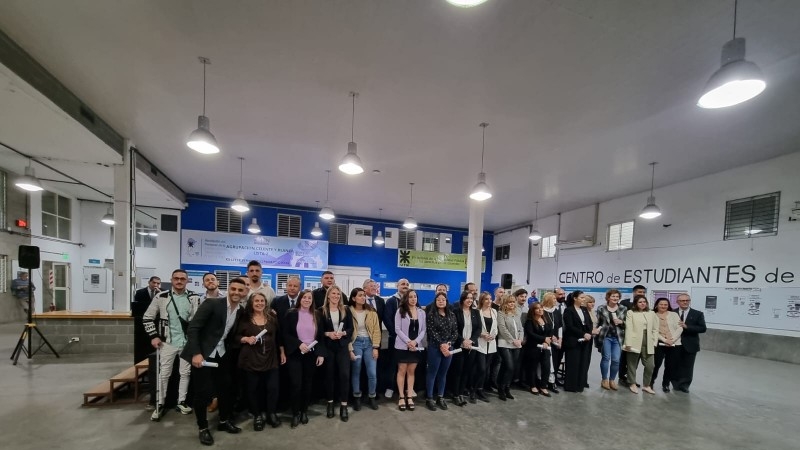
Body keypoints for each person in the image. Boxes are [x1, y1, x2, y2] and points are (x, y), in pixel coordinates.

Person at [181, 278, 247, 446]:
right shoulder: (212, 304)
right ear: (228, 289)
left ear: (245, 292)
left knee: (225, 390)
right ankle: (203, 428)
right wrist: (196, 353)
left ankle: (224, 422)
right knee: (202, 393)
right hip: (202, 355)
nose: (236, 293)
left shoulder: (240, 310)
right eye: (233, 289)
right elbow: (193, 328)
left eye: (240, 290)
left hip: (222, 354)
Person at [143, 269, 200, 421]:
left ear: (187, 280)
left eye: (182, 278)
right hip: (166, 342)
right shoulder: (161, 296)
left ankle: (181, 401)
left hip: (187, 342)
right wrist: (154, 336)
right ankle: (160, 403)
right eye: (176, 278)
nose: (179, 281)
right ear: (171, 280)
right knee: (164, 374)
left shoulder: (194, 297)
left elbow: (198, 322)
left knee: (185, 373)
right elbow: (147, 318)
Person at [235, 292, 285, 430]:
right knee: (253, 390)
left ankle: (271, 414)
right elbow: (235, 337)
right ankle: (257, 415)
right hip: (251, 358)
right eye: (256, 301)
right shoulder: (245, 318)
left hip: (271, 357)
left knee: (273, 388)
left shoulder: (272, 316)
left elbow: (278, 336)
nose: (259, 303)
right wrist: (245, 339)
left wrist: (282, 352)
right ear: (251, 303)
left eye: (262, 301)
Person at [282, 289, 325, 428]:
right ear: (300, 299)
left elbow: (320, 337)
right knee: (296, 384)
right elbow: (286, 334)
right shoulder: (291, 314)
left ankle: (304, 411)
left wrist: (320, 353)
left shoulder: (317, 315)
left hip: (311, 354)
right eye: (304, 297)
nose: (307, 300)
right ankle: (295, 413)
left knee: (308, 384)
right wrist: (298, 344)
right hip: (295, 353)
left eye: (309, 298)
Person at [316, 285, 353, 422]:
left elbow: (350, 329)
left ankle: (344, 405)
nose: (336, 296)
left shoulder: (345, 310)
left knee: (344, 375)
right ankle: (330, 403)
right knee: (329, 376)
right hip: (328, 347)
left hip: (342, 347)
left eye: (338, 294)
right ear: (328, 296)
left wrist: (343, 333)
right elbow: (318, 331)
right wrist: (328, 334)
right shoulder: (321, 311)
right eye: (333, 293)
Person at [348, 287, 381, 411]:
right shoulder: (348, 311)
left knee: (372, 372)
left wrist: (375, 347)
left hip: (369, 344)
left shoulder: (371, 312)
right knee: (356, 370)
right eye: (360, 295)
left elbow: (377, 330)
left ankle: (372, 396)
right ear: (353, 298)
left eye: (363, 295)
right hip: (355, 343)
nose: (363, 297)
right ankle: (357, 396)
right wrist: (350, 348)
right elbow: (347, 331)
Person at [425, 292, 458, 411]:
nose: (441, 301)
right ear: (435, 301)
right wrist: (441, 344)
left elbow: (455, 332)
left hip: (448, 348)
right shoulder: (431, 315)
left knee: (443, 373)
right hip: (435, 347)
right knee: (432, 373)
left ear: (446, 301)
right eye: (438, 299)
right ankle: (429, 398)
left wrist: (448, 344)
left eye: (443, 299)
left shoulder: (452, 315)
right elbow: (431, 331)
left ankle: (440, 397)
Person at [394, 288, 426, 411]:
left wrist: (415, 342)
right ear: (406, 298)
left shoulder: (421, 312)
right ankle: (401, 396)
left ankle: (409, 396)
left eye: (415, 297)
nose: (413, 299)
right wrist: (408, 342)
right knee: (402, 370)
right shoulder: (400, 311)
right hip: (402, 346)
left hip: (415, 346)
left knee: (411, 371)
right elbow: (397, 329)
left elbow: (423, 330)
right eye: (411, 297)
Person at [623, 295, 659, 394]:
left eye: (644, 302)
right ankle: (632, 383)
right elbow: (629, 328)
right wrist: (628, 343)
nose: (642, 303)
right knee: (632, 364)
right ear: (635, 303)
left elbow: (655, 328)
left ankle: (646, 385)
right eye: (640, 302)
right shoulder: (631, 313)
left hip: (649, 340)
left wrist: (655, 341)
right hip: (634, 341)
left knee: (650, 365)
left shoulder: (651, 313)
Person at [450, 290, 481, 405]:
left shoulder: (476, 312)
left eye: (471, 298)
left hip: (471, 346)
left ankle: (461, 392)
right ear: (463, 299)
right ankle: (455, 394)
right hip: (459, 345)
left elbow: (478, 329)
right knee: (458, 370)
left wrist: (471, 341)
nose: (470, 300)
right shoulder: (455, 312)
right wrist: (463, 341)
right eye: (467, 298)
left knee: (467, 370)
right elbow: (454, 329)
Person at [383, 278, 410, 399]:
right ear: (397, 286)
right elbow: (387, 319)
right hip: (395, 338)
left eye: (407, 284)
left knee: (406, 365)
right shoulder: (391, 301)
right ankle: (390, 387)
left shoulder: (412, 300)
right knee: (392, 364)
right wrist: (397, 334)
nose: (405, 286)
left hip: (409, 340)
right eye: (403, 284)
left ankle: (406, 388)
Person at [673, 294, 706, 393]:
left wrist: (687, 327)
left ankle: (684, 385)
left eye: (687, 300)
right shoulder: (671, 313)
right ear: (677, 302)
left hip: (690, 344)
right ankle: (674, 383)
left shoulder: (697, 314)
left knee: (688, 365)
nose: (685, 302)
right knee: (674, 364)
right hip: (674, 343)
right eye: (682, 300)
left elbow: (703, 328)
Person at [562, 290, 593, 393]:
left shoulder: (584, 310)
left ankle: (580, 385)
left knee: (583, 363)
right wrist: (583, 334)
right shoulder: (569, 310)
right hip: (573, 340)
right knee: (573, 363)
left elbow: (588, 323)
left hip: (585, 341)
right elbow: (570, 326)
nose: (584, 300)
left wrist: (589, 333)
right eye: (582, 298)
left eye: (584, 298)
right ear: (575, 298)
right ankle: (571, 386)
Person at [596, 289, 627, 391]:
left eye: (617, 297)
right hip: (605, 337)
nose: (615, 298)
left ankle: (612, 380)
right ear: (608, 297)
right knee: (606, 357)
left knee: (616, 359)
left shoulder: (623, 308)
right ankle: (604, 379)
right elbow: (598, 322)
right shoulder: (601, 308)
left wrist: (621, 322)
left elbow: (628, 324)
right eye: (613, 296)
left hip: (618, 337)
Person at [652, 298, 682, 393]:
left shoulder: (674, 314)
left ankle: (666, 384)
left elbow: (680, 328)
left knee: (670, 365)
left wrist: (672, 340)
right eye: (661, 304)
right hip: (659, 343)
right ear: (657, 305)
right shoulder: (652, 315)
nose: (663, 306)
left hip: (674, 343)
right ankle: (650, 383)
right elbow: (653, 331)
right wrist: (665, 340)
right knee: (655, 364)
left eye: (665, 304)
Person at [496, 295, 523, 401]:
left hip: (517, 344)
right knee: (509, 366)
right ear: (505, 303)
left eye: (513, 302)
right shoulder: (501, 313)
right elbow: (502, 329)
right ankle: (501, 388)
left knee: (509, 368)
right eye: (509, 302)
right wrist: (513, 340)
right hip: (505, 343)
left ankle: (506, 387)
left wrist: (519, 339)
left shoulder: (517, 314)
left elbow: (521, 328)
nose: (512, 304)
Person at [619, 284, 647, 385]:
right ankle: (622, 376)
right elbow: (621, 317)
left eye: (644, 292)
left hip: (639, 336)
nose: (642, 294)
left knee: (635, 357)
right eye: (640, 292)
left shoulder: (644, 304)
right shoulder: (625, 303)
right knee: (625, 356)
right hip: (626, 333)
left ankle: (630, 377)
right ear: (634, 292)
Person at [523, 302, 552, 396]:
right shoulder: (530, 321)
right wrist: (543, 339)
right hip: (533, 348)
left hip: (545, 347)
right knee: (532, 367)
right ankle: (532, 385)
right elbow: (531, 334)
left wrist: (546, 341)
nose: (540, 310)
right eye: (537, 308)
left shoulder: (546, 320)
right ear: (533, 311)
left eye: (541, 308)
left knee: (546, 367)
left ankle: (543, 386)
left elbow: (550, 332)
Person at [474, 292, 497, 402]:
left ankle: (480, 389)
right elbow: (474, 328)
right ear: (482, 300)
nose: (489, 301)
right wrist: (482, 335)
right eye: (486, 299)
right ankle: (474, 389)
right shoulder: (477, 312)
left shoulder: (494, 312)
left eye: (490, 299)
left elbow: (495, 328)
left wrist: (493, 335)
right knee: (481, 369)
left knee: (486, 369)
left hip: (491, 344)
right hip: (480, 343)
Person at [132, 276, 160, 365]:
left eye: (158, 283)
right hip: (142, 323)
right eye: (154, 283)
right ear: (149, 282)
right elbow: (137, 307)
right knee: (142, 347)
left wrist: (161, 294)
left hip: (156, 323)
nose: (156, 285)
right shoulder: (140, 292)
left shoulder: (162, 292)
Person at [541, 291, 563, 393]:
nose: (556, 300)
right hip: (545, 339)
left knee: (554, 361)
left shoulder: (556, 311)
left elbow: (559, 326)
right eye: (554, 299)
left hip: (556, 340)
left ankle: (552, 381)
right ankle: (544, 381)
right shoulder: (542, 311)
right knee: (546, 362)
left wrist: (560, 338)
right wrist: (550, 336)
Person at [582, 294, 601, 388]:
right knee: (583, 360)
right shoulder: (583, 312)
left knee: (587, 360)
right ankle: (581, 380)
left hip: (591, 338)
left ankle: (584, 379)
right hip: (584, 338)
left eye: (593, 302)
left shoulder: (592, 312)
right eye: (590, 302)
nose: (592, 304)